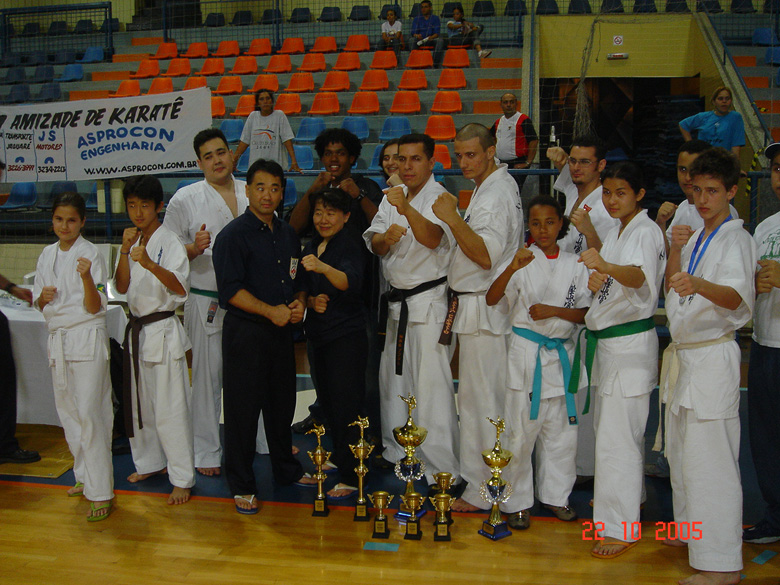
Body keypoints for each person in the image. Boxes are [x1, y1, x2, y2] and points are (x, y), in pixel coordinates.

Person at [662, 147, 753, 584]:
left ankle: (721, 566)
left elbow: (737, 298)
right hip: (686, 355)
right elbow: (673, 287)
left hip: (713, 355)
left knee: (712, 463)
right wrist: (676, 251)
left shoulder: (738, 239)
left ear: (731, 191)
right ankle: (691, 533)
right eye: (696, 190)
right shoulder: (697, 236)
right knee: (685, 457)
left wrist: (698, 282)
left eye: (712, 191)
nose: (702, 199)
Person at [213, 159, 317, 515]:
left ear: (282, 192)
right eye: (260, 187)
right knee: (242, 412)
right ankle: (242, 484)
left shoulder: (287, 234)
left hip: (281, 334)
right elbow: (230, 290)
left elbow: (297, 278)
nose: (267, 195)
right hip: (245, 334)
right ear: (247, 190)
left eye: (274, 188)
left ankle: (286, 469)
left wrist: (299, 302)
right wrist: (270, 311)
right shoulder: (232, 236)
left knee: (281, 405)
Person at [430, 123, 522, 510]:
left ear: (490, 152)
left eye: (471, 154)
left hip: (486, 307)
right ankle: (487, 484)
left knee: (483, 404)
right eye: (459, 155)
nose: (464, 162)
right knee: (478, 401)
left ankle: (486, 490)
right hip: (479, 306)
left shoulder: (496, 194)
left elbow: (484, 255)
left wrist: (452, 218)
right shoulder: (492, 187)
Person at [578, 161, 665, 559]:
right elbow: (617, 281)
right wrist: (600, 280)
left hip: (628, 346)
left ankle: (620, 527)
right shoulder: (618, 230)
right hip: (613, 345)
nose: (612, 200)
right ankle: (630, 503)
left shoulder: (645, 231)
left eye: (621, 193)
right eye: (608, 193)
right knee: (617, 436)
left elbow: (638, 277)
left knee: (618, 441)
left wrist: (607, 267)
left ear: (639, 195)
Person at [487, 194, 590, 529]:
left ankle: (557, 496)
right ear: (528, 227)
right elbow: (491, 298)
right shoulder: (520, 260)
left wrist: (554, 311)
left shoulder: (577, 263)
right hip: (527, 355)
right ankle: (516, 502)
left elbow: (585, 313)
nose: (543, 230)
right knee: (519, 434)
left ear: (561, 224)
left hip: (561, 356)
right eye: (536, 223)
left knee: (562, 435)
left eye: (550, 222)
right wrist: (511, 269)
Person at [363, 132, 460, 487]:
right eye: (401, 159)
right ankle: (398, 451)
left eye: (415, 159)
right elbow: (374, 242)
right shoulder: (391, 197)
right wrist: (383, 240)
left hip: (429, 304)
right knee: (394, 382)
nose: (406, 166)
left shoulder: (441, 198)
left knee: (431, 389)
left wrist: (405, 208)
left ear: (431, 162)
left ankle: (442, 469)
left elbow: (434, 238)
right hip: (397, 305)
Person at [288, 129, 384, 446]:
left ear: (352, 157)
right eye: (328, 153)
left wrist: (359, 195)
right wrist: (311, 192)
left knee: (363, 370)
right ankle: (323, 414)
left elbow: (382, 224)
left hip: (358, 293)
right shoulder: (318, 191)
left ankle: (368, 427)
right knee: (320, 363)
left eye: (340, 153)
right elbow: (293, 227)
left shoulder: (367, 187)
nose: (333, 158)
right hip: (320, 295)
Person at [164, 128, 248, 477]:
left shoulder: (250, 190)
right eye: (208, 156)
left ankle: (260, 441)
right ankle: (206, 450)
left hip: (249, 302)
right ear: (199, 163)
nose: (216, 160)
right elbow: (166, 255)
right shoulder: (185, 199)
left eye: (221, 152)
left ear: (231, 154)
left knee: (251, 377)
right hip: (206, 299)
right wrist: (192, 248)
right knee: (207, 378)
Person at [32, 192, 114, 521]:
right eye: (58, 219)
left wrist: (85, 278)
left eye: (71, 220)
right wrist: (42, 297)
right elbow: (40, 305)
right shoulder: (46, 255)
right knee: (69, 414)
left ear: (83, 222)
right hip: (59, 340)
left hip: (86, 336)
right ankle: (84, 476)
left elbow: (95, 307)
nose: (64, 226)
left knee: (92, 414)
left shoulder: (91, 253)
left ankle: (102, 491)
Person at [114, 175, 194, 506]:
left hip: (162, 330)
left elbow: (180, 287)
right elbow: (120, 287)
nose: (137, 212)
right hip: (137, 332)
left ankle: (182, 477)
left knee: (170, 410)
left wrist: (149, 263)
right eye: (132, 205)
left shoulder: (170, 242)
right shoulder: (131, 239)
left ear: (158, 206)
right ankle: (149, 463)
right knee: (141, 407)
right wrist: (124, 252)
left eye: (144, 205)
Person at [547, 135, 619, 482]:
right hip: (566, 299)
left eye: (584, 162)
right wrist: (562, 159)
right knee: (567, 389)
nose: (576, 168)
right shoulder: (573, 193)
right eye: (573, 161)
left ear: (601, 166)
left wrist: (589, 231)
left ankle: (587, 466)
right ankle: (570, 463)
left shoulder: (606, 206)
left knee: (586, 388)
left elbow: (610, 258)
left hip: (590, 306)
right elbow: (565, 174)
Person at [301, 188, 367, 499]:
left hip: (345, 336)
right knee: (328, 403)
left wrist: (324, 268)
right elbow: (305, 288)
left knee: (346, 406)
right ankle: (340, 457)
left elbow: (350, 282)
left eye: (330, 213)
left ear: (346, 216)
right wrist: (311, 301)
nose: (323, 219)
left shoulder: (351, 242)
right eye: (318, 212)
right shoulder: (313, 244)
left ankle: (352, 475)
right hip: (319, 334)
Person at [744, 141, 780, 545]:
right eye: (777, 169)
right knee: (767, 439)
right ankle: (776, 515)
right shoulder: (766, 227)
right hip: (766, 342)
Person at [232, 90, 301, 172]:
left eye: (268, 98)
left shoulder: (279, 115)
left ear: (272, 101)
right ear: (258, 103)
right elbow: (244, 142)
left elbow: (287, 140)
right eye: (261, 99)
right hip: (256, 169)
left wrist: (294, 161)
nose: (265, 101)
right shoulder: (253, 116)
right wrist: (234, 161)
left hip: (276, 168)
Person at [679, 86, 745, 159]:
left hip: (723, 160)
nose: (724, 101)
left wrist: (735, 164)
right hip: (704, 159)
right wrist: (691, 147)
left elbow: (736, 146)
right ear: (714, 101)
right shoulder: (703, 117)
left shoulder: (735, 117)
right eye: (720, 99)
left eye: (727, 98)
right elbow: (683, 125)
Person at [491, 93, 538, 192]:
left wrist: (527, 163)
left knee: (513, 192)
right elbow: (489, 138)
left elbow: (533, 141)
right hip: (501, 164)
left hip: (518, 164)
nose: (508, 105)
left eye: (511, 102)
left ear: (516, 104)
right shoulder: (498, 122)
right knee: (501, 192)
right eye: (505, 102)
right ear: (501, 104)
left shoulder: (523, 120)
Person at [408, 0, 446, 67]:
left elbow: (437, 33)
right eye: (422, 7)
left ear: (430, 8)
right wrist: (417, 35)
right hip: (420, 40)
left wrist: (432, 37)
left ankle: (434, 64)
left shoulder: (435, 18)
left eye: (425, 7)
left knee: (440, 41)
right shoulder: (417, 19)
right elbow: (413, 33)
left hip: (431, 39)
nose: (423, 9)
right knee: (412, 40)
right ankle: (415, 62)